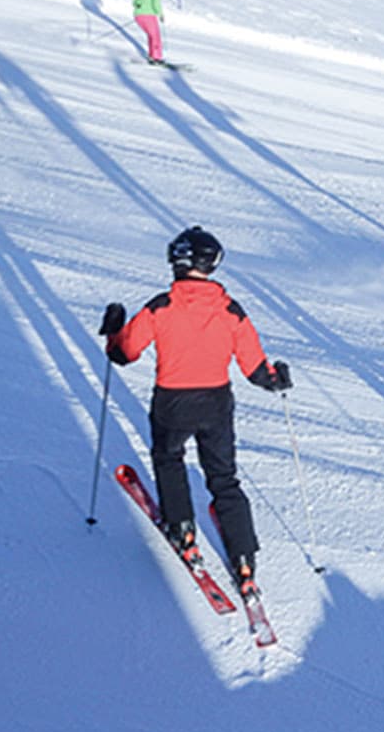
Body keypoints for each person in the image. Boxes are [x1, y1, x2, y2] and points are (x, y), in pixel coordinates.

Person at [101, 226, 292, 601]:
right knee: (223, 477)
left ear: (179, 262)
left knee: (169, 459)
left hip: (173, 401)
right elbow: (255, 370)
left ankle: (182, 528)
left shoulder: (162, 306)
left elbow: (123, 354)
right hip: (216, 403)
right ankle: (244, 560)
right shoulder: (230, 310)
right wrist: (276, 378)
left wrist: (113, 331)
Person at [132, 0, 164, 65]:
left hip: (138, 16)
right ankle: (156, 58)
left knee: (151, 35)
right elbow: (156, 4)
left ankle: (152, 55)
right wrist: (160, 14)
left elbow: (134, 2)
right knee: (155, 36)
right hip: (149, 16)